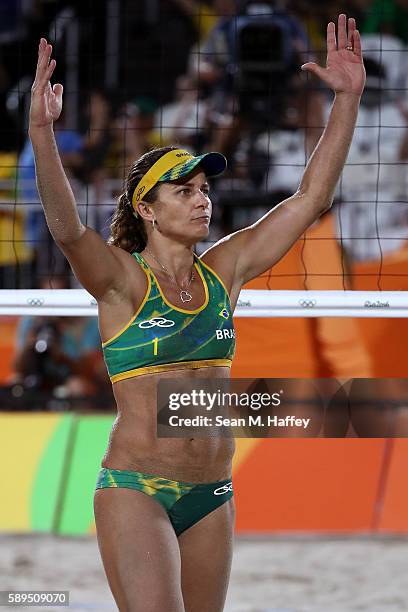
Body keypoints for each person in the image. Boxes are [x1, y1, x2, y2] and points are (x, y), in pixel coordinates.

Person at [29, 14, 365, 612]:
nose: (202, 199)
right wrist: (41, 134)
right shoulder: (121, 281)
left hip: (213, 492)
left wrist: (347, 98)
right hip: (138, 488)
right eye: (184, 191)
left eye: (204, 189)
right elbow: (66, 228)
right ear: (148, 210)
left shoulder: (224, 271)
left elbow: (311, 196)